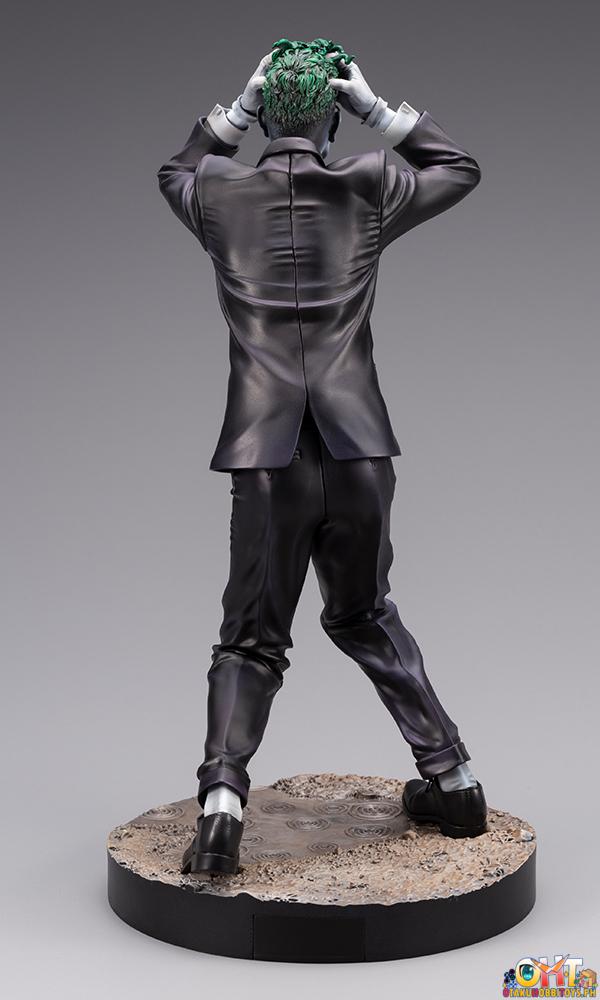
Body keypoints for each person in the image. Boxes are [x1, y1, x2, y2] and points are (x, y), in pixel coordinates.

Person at [157, 38, 488, 876]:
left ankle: (222, 806)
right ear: (334, 119)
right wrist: (378, 109)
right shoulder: (369, 182)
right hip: (360, 447)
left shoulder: (218, 191)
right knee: (365, 613)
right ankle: (454, 780)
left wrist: (236, 110)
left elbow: (174, 169)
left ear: (268, 114)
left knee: (250, 642)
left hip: (267, 454)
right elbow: (458, 167)